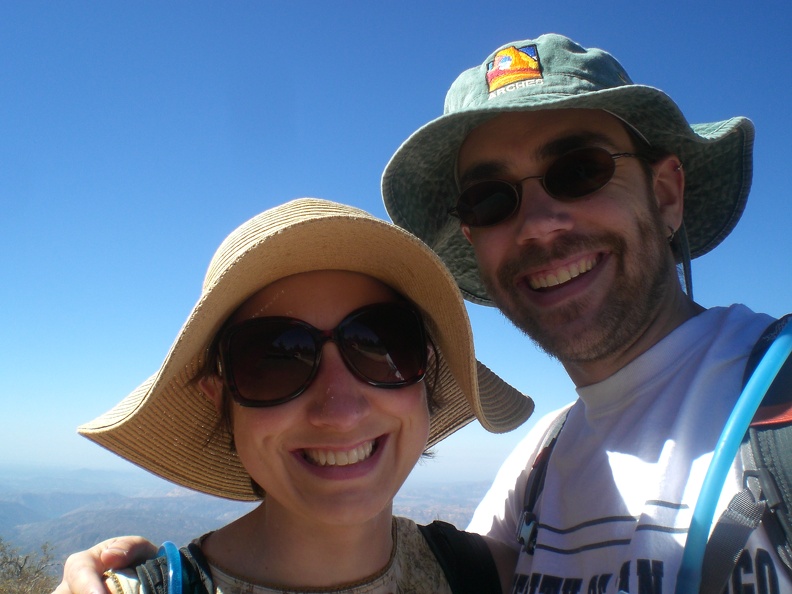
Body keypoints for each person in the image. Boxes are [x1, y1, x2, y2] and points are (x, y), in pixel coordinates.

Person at [55, 33, 789, 593]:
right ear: (476, 238)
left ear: (666, 194)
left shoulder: (778, 421)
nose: (536, 226)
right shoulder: (534, 476)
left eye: (579, 170)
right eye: (491, 198)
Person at [54, 197, 535, 594]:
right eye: (275, 360)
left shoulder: (497, 579)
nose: (340, 410)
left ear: (425, 376)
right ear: (221, 401)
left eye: (380, 345)